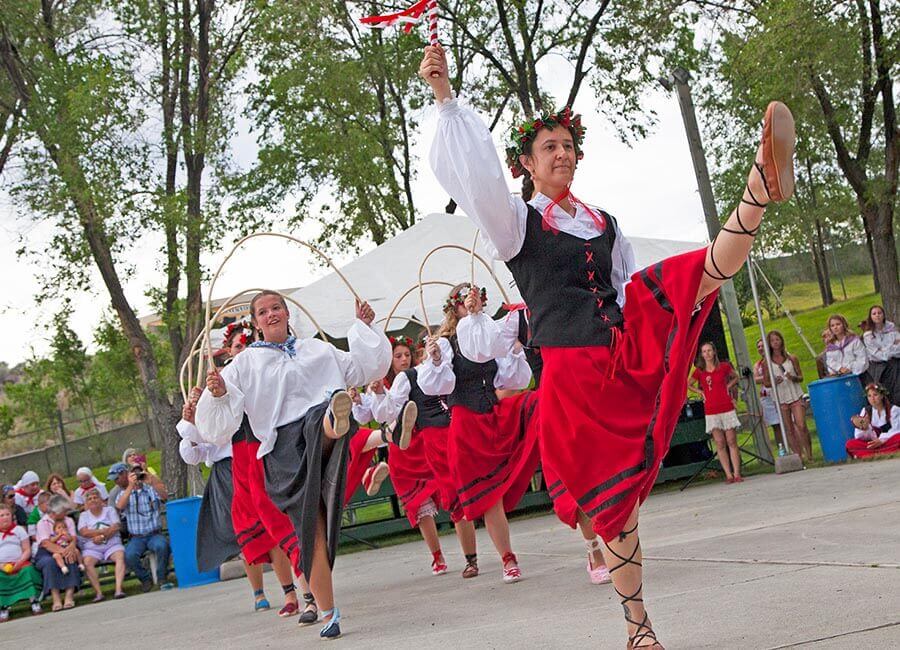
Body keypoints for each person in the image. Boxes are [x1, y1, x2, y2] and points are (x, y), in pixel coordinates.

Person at [421, 41, 794, 647]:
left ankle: (760, 183)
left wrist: (648, 329)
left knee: (684, 277)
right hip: (573, 375)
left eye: (568, 146)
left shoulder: (606, 223)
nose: (563, 153)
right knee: (615, 507)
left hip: (619, 351)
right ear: (527, 164)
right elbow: (477, 176)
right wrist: (445, 97)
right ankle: (637, 625)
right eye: (550, 147)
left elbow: (619, 288)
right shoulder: (516, 223)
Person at [198, 291, 391, 639]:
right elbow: (219, 425)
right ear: (256, 322)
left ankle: (336, 417)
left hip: (319, 427)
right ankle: (329, 612)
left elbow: (363, 367)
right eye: (263, 311)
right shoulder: (244, 364)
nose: (270, 314)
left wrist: (363, 327)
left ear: (287, 313)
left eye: (276, 308)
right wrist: (218, 393)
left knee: (321, 414)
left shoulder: (317, 349)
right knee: (310, 531)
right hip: (282, 451)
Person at [419, 284, 540, 583]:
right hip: (467, 425)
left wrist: (513, 349)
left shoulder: (490, 337)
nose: (473, 305)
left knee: (539, 403)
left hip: (493, 416)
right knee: (489, 499)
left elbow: (515, 379)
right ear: (454, 307)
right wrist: (434, 360)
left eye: (478, 299)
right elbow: (439, 386)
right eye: (466, 301)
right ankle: (507, 558)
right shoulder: (447, 343)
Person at [369, 336, 472, 577]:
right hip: (404, 449)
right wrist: (376, 393)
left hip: (428, 441)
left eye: (407, 354)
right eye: (398, 356)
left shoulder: (424, 374)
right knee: (419, 504)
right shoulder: (385, 383)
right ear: (390, 361)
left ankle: (470, 556)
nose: (404, 359)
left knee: (450, 493)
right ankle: (437, 555)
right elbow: (377, 412)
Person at [689, 343, 743, 483]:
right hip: (711, 409)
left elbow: (735, 376)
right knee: (719, 442)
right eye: (704, 351)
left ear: (714, 352)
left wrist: (728, 386)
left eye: (709, 351)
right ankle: (728, 474)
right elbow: (688, 384)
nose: (707, 354)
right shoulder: (699, 371)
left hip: (726, 406)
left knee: (731, 440)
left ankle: (737, 473)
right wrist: (701, 392)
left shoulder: (724, 367)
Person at [117, 463, 173, 591]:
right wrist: (131, 486)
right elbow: (120, 506)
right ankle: (145, 579)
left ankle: (161, 577)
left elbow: (165, 497)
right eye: (134, 474)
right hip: (136, 537)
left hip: (154, 533)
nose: (138, 477)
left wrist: (151, 481)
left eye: (139, 473)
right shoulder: (124, 493)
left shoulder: (151, 490)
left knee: (162, 546)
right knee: (129, 555)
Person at [764, 331, 812, 461]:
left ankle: (809, 454)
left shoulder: (792, 358)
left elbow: (801, 377)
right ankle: (798, 455)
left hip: (794, 393)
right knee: (788, 428)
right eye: (772, 340)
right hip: (780, 396)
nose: (775, 342)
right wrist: (774, 381)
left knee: (801, 425)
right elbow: (766, 382)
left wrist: (793, 377)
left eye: (777, 339)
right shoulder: (767, 363)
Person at [77, 487, 126, 601]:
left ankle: (118, 590)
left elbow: (116, 527)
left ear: (101, 500)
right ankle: (99, 593)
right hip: (92, 548)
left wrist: (102, 536)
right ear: (87, 503)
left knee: (120, 556)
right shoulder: (84, 515)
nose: (93, 500)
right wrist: (99, 533)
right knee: (88, 562)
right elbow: (84, 532)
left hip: (112, 544)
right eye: (90, 499)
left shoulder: (109, 510)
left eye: (95, 497)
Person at [34, 495, 82, 611]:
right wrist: (63, 552)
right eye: (64, 511)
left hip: (66, 547)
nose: (66, 513)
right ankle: (56, 598)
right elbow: (46, 543)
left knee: (71, 557)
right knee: (50, 562)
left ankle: (69, 596)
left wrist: (69, 549)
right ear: (56, 511)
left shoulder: (68, 520)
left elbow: (74, 538)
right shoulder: (42, 523)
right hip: (46, 552)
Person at [0, 503, 42, 621]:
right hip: (2, 566)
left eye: (7, 514)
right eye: (2, 515)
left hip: (20, 562)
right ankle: (4, 606)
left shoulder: (19, 530)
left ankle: (34, 601)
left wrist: (19, 562)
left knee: (28, 571)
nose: (5, 517)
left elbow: (27, 549)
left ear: (12, 516)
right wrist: (1, 566)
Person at [846, 383, 900, 458]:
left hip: (887, 441)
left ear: (881, 396)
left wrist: (881, 440)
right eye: (869, 396)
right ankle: (883, 451)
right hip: (873, 443)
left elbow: (896, 430)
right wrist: (864, 428)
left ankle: (867, 454)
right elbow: (858, 437)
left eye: (875, 395)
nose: (872, 398)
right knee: (850, 444)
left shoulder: (894, 409)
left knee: (898, 438)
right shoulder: (866, 410)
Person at [862, 305, 900, 404]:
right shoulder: (868, 335)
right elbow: (875, 354)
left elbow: (899, 348)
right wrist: (891, 348)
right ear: (870, 317)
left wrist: (883, 349)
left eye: (879, 313)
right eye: (874, 314)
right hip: (878, 365)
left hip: (894, 360)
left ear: (883, 315)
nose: (877, 315)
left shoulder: (891, 328)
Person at [753, 338, 783, 448]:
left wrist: (767, 378)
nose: (760, 348)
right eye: (758, 347)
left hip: (780, 393)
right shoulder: (758, 364)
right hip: (766, 396)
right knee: (775, 425)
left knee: (786, 422)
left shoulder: (776, 359)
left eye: (762, 346)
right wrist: (768, 377)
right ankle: (782, 448)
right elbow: (755, 379)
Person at [824, 315, 868, 380]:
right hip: (839, 377)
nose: (835, 327)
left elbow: (862, 358)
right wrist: (839, 368)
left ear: (844, 325)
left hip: (858, 375)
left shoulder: (854, 341)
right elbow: (830, 362)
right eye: (832, 326)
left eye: (838, 324)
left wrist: (850, 369)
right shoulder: (831, 346)